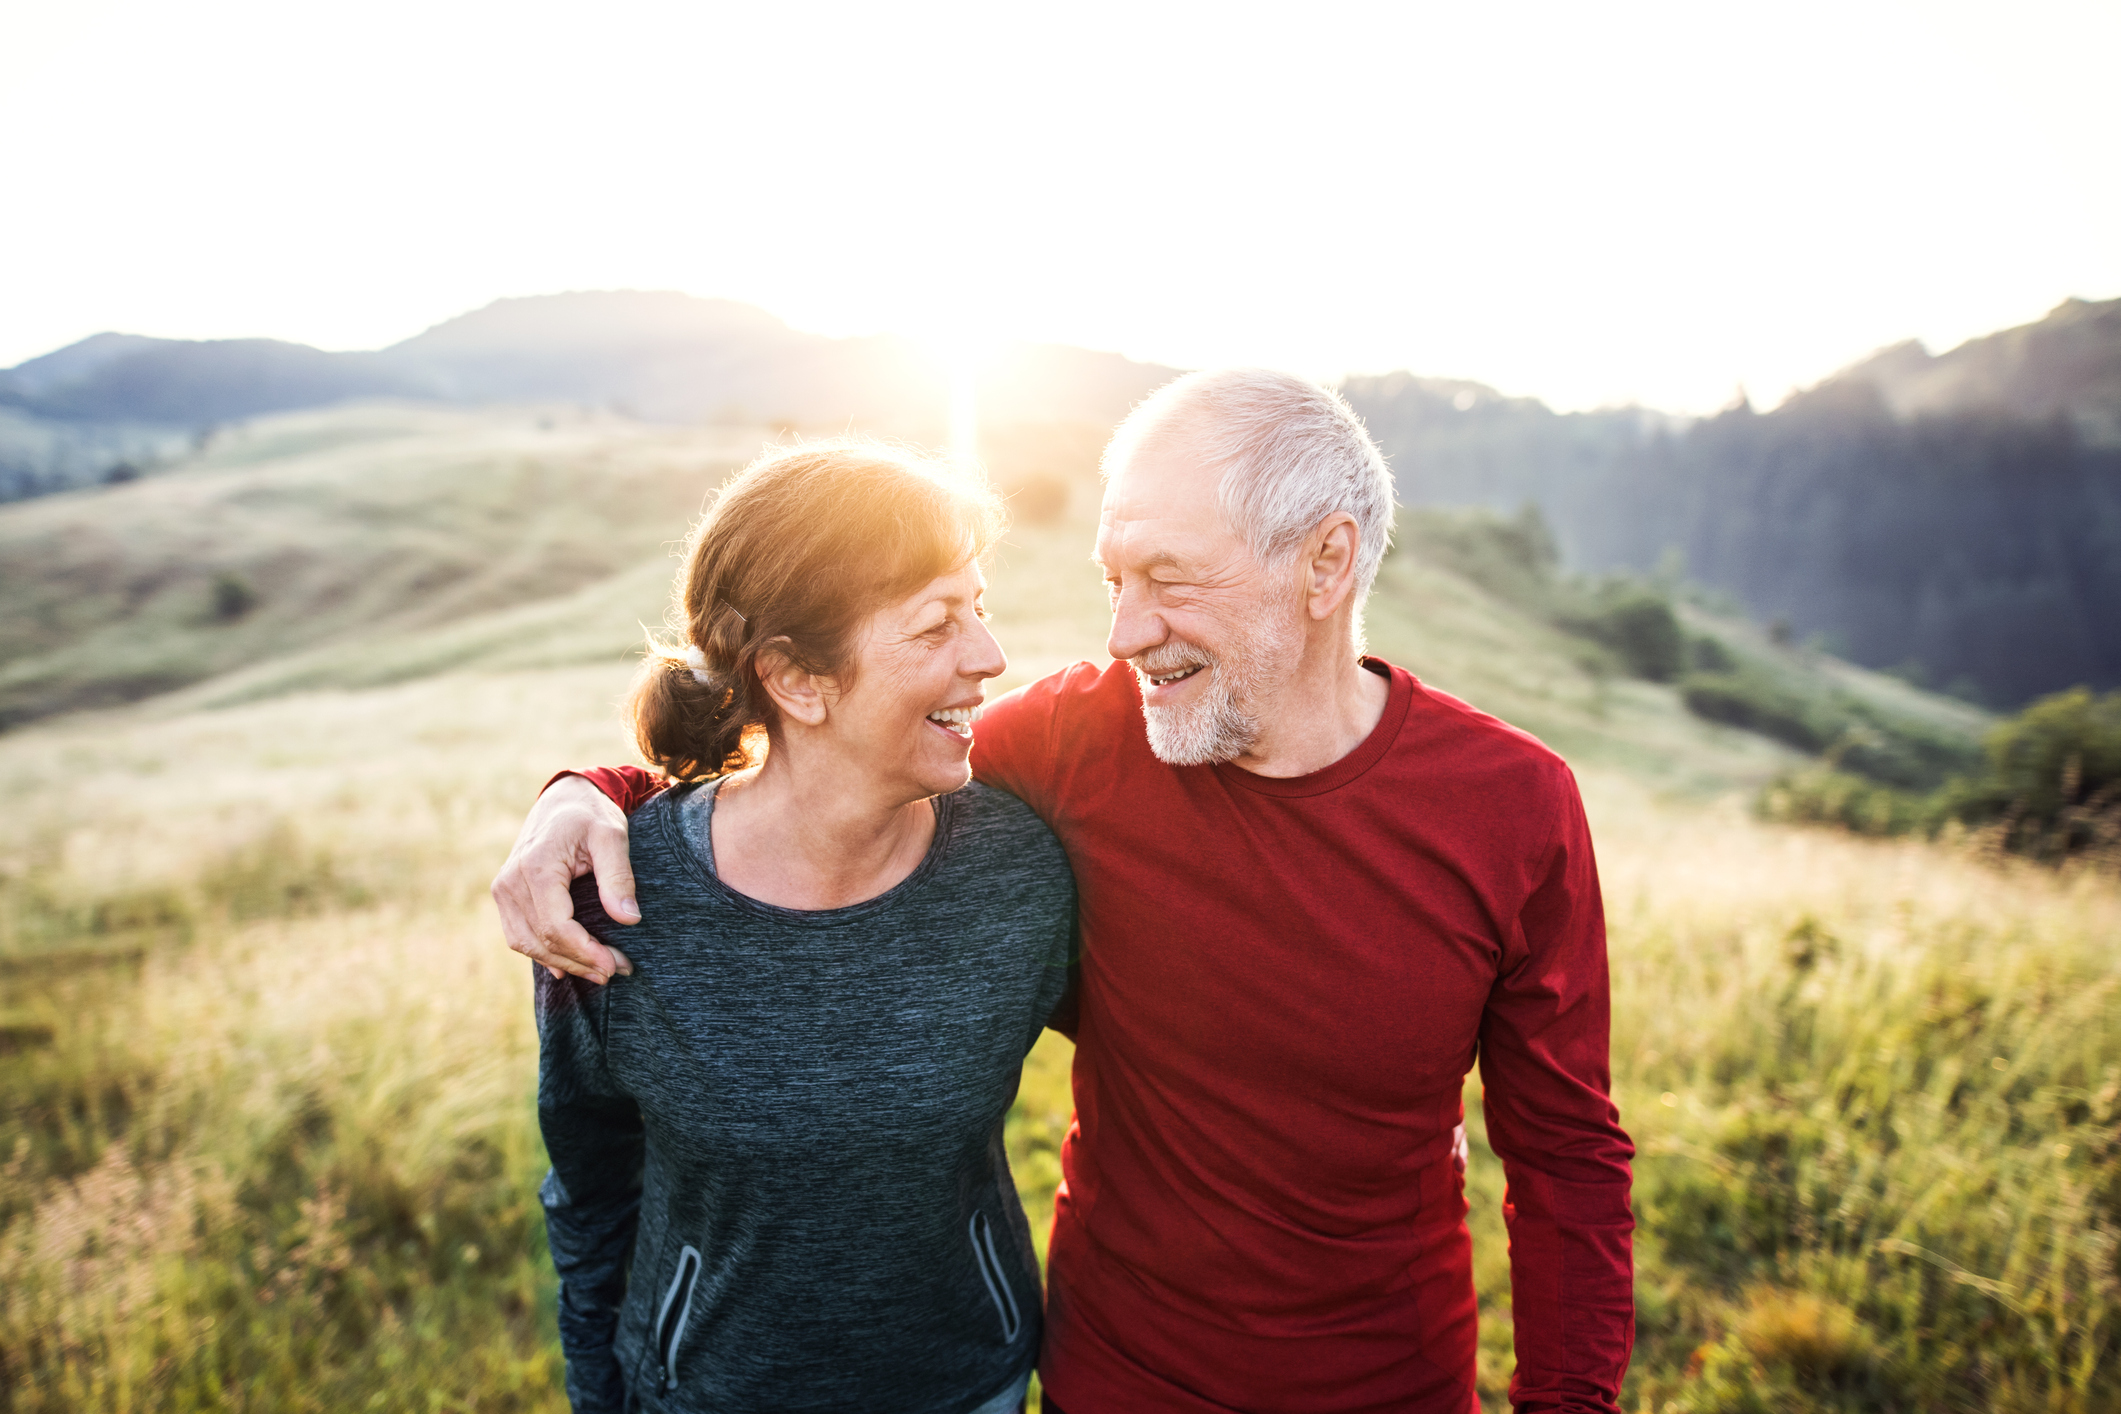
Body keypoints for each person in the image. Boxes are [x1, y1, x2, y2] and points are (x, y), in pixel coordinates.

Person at [496, 370, 1636, 1413]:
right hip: (1113, 1377)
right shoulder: (1085, 740)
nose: (1126, 633)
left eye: (1170, 582)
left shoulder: (1515, 807)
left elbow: (1569, 1157)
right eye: (1114, 580)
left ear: (1327, 564)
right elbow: (830, 757)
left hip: (1391, 1383)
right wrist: (585, 793)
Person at [528, 441, 1076, 1413]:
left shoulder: (1020, 874)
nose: (989, 656)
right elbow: (591, 1187)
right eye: (935, 623)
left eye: (979, 607)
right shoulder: (617, 902)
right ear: (795, 678)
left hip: (967, 1387)